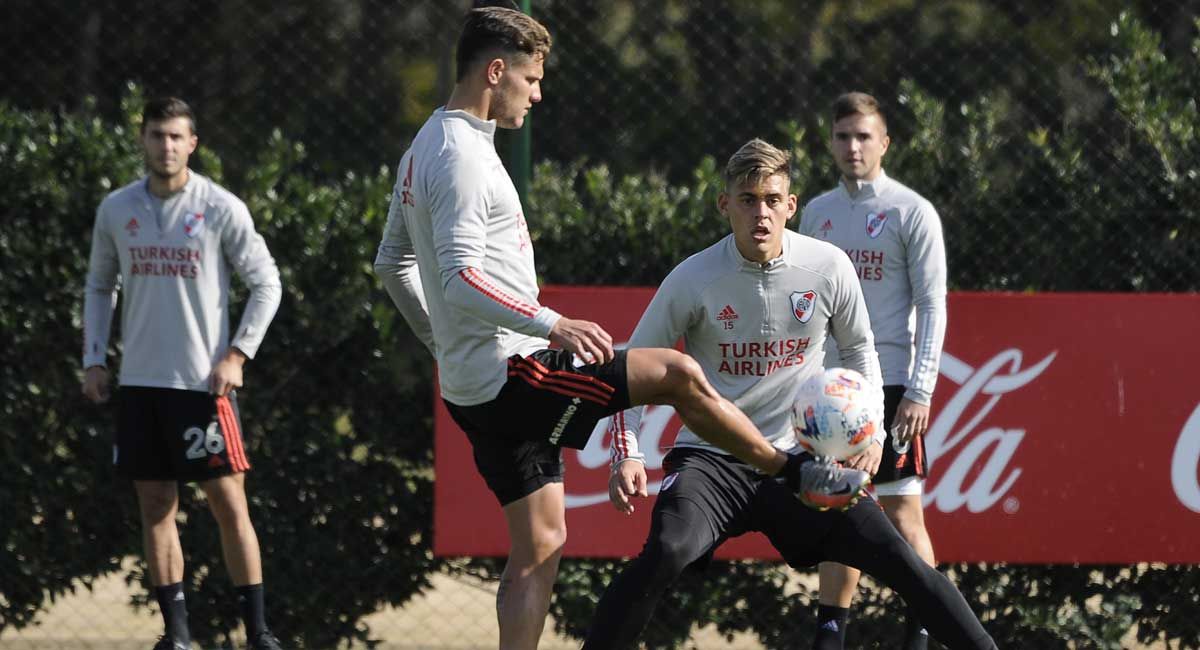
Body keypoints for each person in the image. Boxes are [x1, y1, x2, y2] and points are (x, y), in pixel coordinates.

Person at [372, 8, 868, 650]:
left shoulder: (422, 148)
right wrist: (551, 323)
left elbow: (392, 263)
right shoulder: (461, 155)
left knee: (542, 542)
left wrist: (441, 343)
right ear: (496, 72)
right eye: (530, 76)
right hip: (514, 371)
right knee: (678, 372)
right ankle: (790, 472)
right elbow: (464, 277)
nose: (538, 91)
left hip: (471, 387)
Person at [581, 139, 993, 650]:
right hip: (714, 461)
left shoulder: (828, 266)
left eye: (773, 199)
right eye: (748, 199)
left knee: (902, 561)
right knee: (667, 549)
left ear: (791, 205)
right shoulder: (693, 277)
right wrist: (628, 452)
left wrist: (870, 431)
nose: (761, 213)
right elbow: (632, 371)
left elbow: (861, 353)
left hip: (805, 462)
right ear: (724, 204)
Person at [82, 97, 284, 650]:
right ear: (142, 140)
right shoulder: (116, 209)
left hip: (204, 387)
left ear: (192, 143)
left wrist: (237, 355)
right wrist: (94, 358)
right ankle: (177, 635)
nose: (165, 145)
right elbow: (101, 286)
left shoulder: (220, 208)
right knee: (154, 505)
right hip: (141, 386)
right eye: (155, 135)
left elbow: (268, 283)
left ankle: (258, 633)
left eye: (176, 136)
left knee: (228, 502)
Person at [799, 91, 949, 650]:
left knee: (905, 512)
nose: (853, 146)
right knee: (840, 511)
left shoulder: (912, 212)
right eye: (843, 136)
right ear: (831, 143)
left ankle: (922, 635)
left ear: (885, 142)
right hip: (831, 390)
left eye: (864, 136)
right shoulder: (816, 213)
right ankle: (830, 638)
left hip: (890, 385)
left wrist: (920, 388)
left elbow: (933, 304)